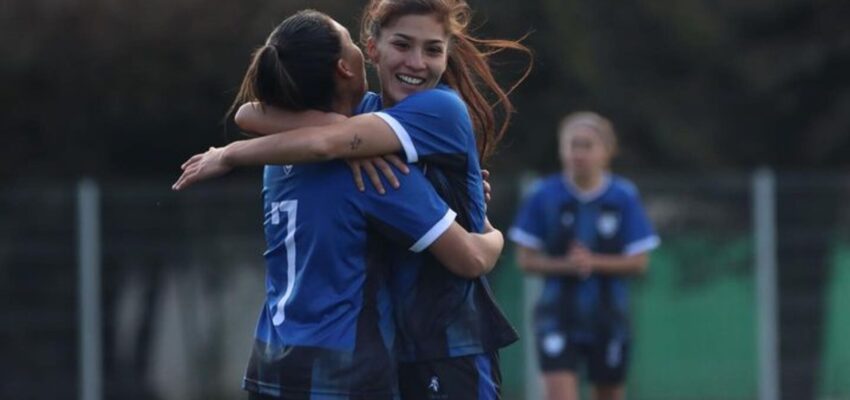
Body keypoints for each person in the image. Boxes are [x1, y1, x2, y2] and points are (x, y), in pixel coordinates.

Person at [172, 1, 532, 398]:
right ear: (369, 49)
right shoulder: (363, 155)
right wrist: (488, 233)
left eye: (432, 49)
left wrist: (229, 154)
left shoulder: (434, 110)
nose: (416, 61)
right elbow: (258, 117)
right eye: (403, 45)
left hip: (443, 344)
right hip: (362, 357)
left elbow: (265, 120)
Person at [508, 112, 660, 400]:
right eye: (571, 145)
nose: (578, 153)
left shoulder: (623, 196)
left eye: (587, 145)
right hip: (557, 317)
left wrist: (593, 262)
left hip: (609, 317)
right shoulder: (544, 195)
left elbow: (639, 262)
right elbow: (525, 260)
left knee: (609, 392)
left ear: (607, 152)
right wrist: (566, 266)